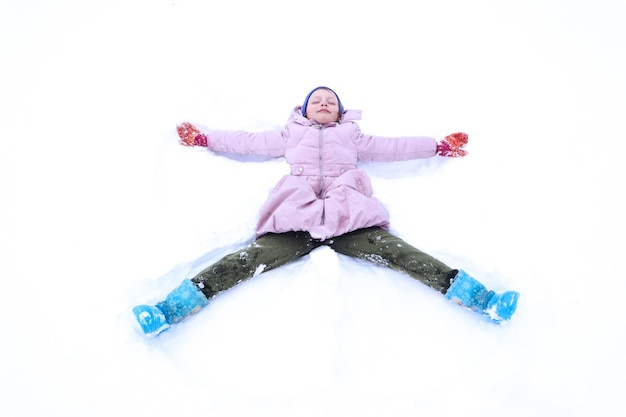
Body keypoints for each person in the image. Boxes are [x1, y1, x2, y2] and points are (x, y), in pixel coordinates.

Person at [132, 86, 519, 337]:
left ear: (340, 113)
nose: (322, 104)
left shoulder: (352, 136)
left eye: (330, 102)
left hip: (349, 216)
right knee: (247, 260)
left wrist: (435, 146)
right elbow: (246, 141)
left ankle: (481, 299)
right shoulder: (289, 134)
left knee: (401, 253)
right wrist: (205, 138)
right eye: (316, 100)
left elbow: (393, 147)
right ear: (303, 110)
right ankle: (169, 309)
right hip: (296, 218)